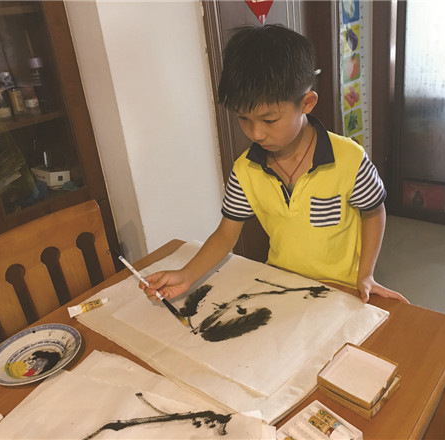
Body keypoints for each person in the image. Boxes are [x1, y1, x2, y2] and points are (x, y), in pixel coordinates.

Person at [141, 25, 407, 304]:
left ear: (307, 103)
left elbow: (373, 212)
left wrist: (366, 274)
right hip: (281, 288)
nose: (256, 133)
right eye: (244, 118)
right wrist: (187, 275)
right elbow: (226, 233)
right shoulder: (245, 170)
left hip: (341, 291)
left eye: (269, 120)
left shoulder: (349, 159)